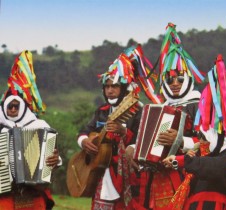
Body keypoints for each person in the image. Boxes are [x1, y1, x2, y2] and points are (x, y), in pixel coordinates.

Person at [130, 23, 207, 210]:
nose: (174, 83)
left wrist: (180, 141)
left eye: (180, 79)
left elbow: (208, 142)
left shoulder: (198, 105)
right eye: (169, 79)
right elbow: (148, 138)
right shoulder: (160, 107)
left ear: (188, 79)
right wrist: (132, 148)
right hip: (157, 176)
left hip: (186, 175)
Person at [162, 55, 226, 210]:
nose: (203, 140)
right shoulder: (215, 152)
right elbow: (202, 155)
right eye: (170, 80)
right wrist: (177, 160)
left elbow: (215, 166)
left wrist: (183, 159)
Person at [77, 45, 157, 210]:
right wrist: (84, 141)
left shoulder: (138, 110)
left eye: (114, 86)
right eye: (107, 87)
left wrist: (124, 132)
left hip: (128, 176)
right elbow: (85, 131)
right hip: (101, 171)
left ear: (124, 89)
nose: (110, 90)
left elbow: (142, 141)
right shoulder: (102, 111)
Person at [0, 50, 61, 210]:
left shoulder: (39, 126)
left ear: (23, 107)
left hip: (33, 193)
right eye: (9, 106)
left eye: (16, 106)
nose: (12, 109)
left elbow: (53, 157)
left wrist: (56, 160)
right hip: (4, 194)